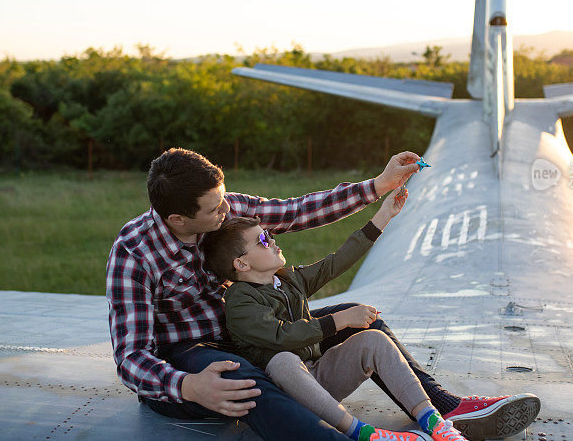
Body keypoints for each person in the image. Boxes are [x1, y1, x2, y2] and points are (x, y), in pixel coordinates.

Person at [107, 147, 539, 440]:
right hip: (193, 356)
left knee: (359, 316)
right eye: (215, 208)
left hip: (258, 333)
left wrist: (377, 187)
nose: (227, 210)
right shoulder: (133, 253)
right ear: (179, 220)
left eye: (224, 199)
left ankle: (443, 409)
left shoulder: (225, 211)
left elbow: (297, 212)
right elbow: (130, 356)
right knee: (244, 378)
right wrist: (185, 386)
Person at [206, 187, 488, 441]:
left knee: (374, 339)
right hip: (285, 392)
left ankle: (435, 423)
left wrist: (383, 218)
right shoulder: (239, 301)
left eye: (268, 234)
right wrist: (341, 319)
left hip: (318, 378)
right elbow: (281, 335)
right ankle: (362, 433)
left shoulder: (288, 280)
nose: (272, 240)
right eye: (263, 241)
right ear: (241, 264)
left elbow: (334, 263)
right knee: (282, 361)